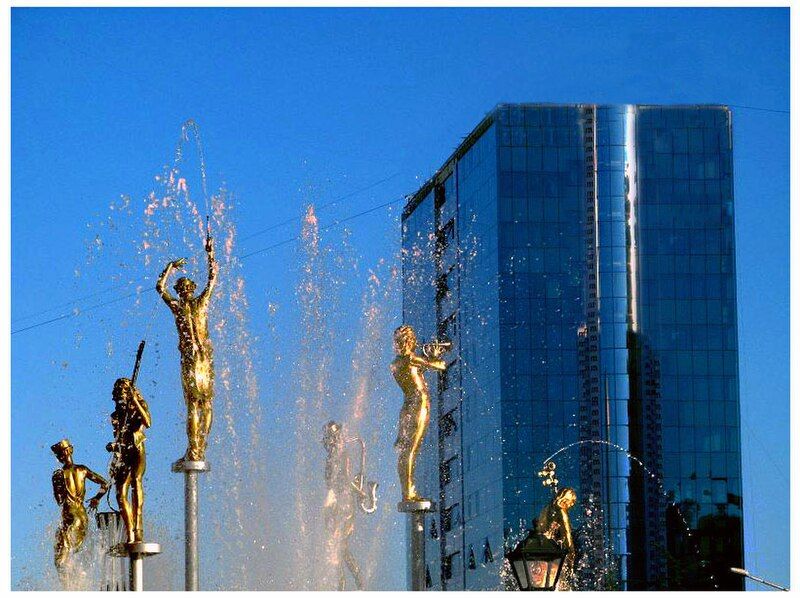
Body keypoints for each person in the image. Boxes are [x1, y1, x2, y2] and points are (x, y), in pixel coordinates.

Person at [156, 233, 217, 462]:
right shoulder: (201, 302)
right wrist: (210, 253)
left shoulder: (178, 308)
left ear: (180, 291)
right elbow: (213, 278)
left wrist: (170, 266)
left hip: (191, 359)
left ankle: (193, 449)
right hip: (205, 358)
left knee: (193, 404)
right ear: (192, 289)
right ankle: (201, 447)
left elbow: (159, 288)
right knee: (207, 402)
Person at [389, 325, 448, 502]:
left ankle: (406, 490)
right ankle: (409, 493)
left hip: (406, 406)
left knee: (406, 450)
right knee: (412, 449)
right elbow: (441, 366)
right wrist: (435, 356)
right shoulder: (411, 358)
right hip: (419, 403)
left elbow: (416, 373)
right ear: (410, 340)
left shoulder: (396, 363)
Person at [51, 439, 109, 578]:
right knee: (70, 556)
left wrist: (57, 485)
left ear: (60, 456)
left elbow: (59, 500)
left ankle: (69, 588)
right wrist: (96, 498)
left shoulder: (59, 474)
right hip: (82, 516)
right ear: (71, 450)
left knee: (60, 562)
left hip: (71, 517)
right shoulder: (82, 469)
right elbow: (105, 484)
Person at [322, 421, 367, 591]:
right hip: (335, 504)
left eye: (331, 438)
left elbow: (346, 479)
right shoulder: (333, 457)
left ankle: (357, 582)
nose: (329, 442)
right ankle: (346, 585)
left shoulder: (342, 455)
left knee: (341, 546)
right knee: (337, 548)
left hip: (343, 505)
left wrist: (360, 492)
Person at [107, 377, 151, 544]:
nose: (120, 398)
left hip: (138, 448)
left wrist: (135, 402)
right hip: (123, 452)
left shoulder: (139, 407)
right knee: (120, 493)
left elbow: (148, 422)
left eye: (123, 394)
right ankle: (129, 530)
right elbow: (118, 436)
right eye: (118, 395)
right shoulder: (116, 415)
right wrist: (114, 446)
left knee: (136, 482)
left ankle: (138, 527)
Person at [538, 487, 578, 590]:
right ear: (566, 499)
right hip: (557, 554)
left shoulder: (548, 509)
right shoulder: (561, 512)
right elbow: (567, 533)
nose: (572, 505)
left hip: (544, 550)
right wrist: (571, 552)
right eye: (571, 501)